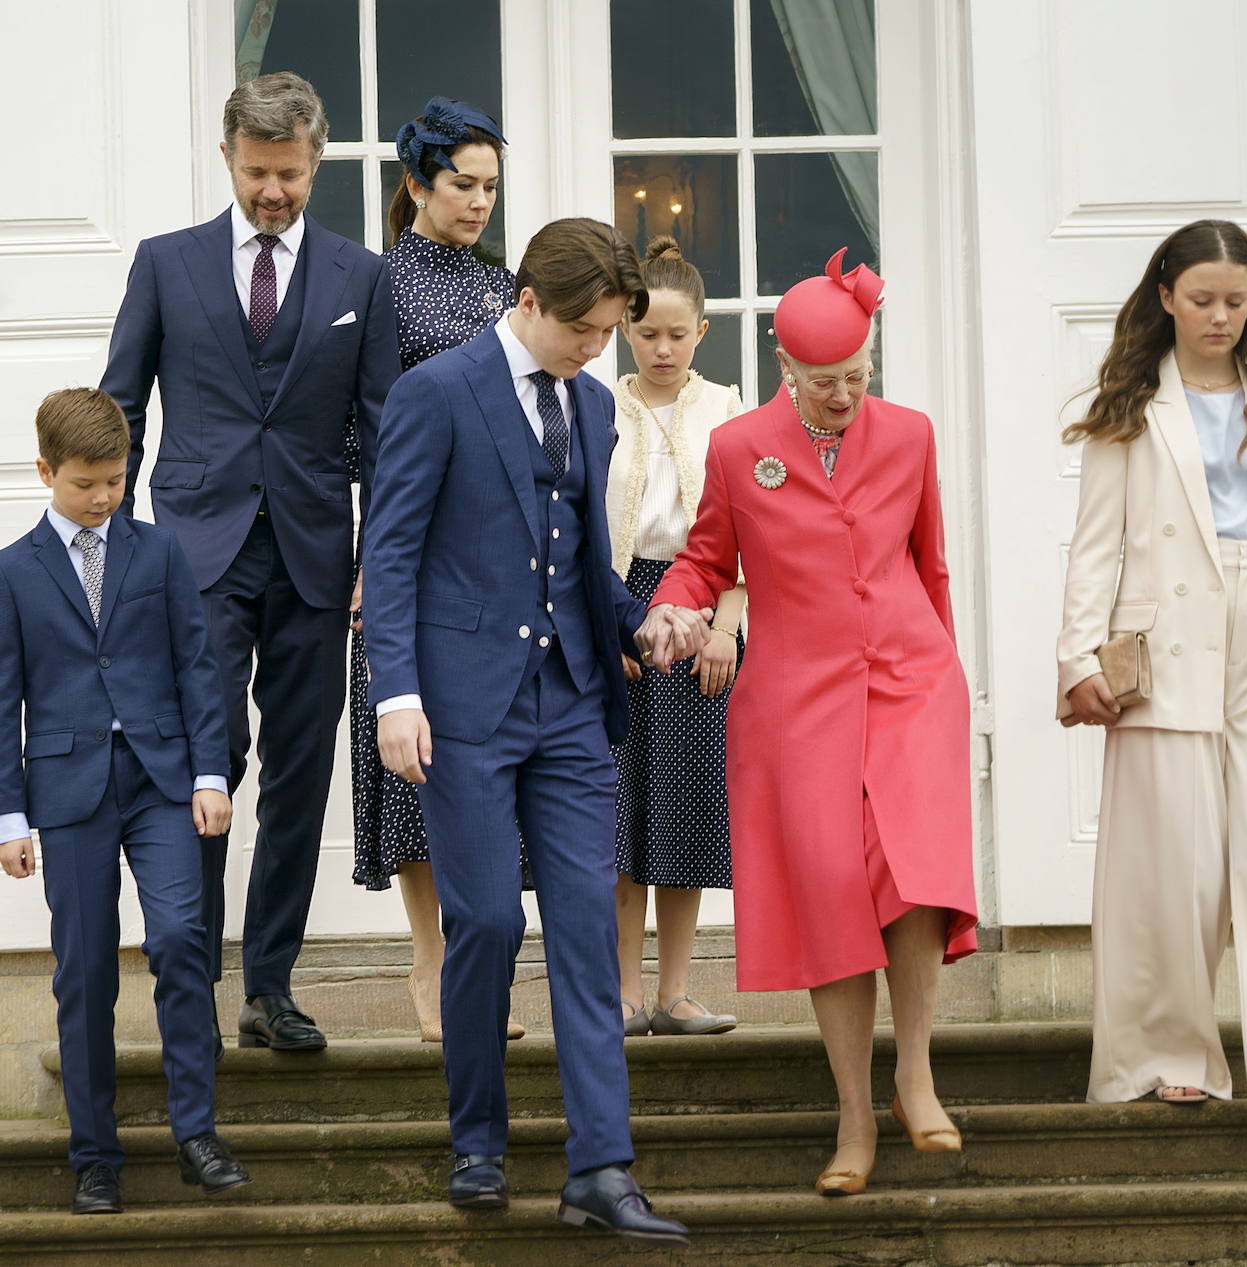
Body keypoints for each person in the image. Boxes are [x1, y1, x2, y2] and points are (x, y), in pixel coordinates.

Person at [363, 217, 695, 1242]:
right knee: (491, 924)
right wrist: (396, 696)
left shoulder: (593, 406)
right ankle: (479, 1142)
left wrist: (642, 618)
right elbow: (395, 551)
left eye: (611, 332)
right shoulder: (436, 392)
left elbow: (578, 558)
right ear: (530, 305)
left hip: (570, 704)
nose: (601, 350)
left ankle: (601, 1166)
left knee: (589, 929)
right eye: (588, 331)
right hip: (459, 709)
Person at [639, 249, 979, 1196]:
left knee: (913, 869)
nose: (843, 395)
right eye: (824, 381)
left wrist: (946, 681)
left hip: (911, 683)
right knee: (833, 883)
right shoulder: (741, 447)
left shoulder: (909, 435)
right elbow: (705, 559)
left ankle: (914, 1071)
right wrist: (676, 606)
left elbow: (932, 565)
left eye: (857, 376)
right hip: (798, 695)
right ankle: (854, 1112)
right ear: (787, 371)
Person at [100, 72, 401, 1054]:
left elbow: (387, 431)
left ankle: (270, 986)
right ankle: (186, 972)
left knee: (303, 771)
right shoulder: (165, 264)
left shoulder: (363, 277)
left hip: (317, 559)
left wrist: (383, 561)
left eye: (291, 172)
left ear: (317, 159)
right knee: (205, 754)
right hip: (195, 556)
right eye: (258, 171)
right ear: (227, 155)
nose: (274, 190)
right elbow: (121, 410)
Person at [1058, 219, 1247, 1152]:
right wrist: (1077, 659)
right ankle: (1170, 1054)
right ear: (1165, 296)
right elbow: (1095, 545)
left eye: (1236, 301)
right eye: (1202, 300)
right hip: (1166, 652)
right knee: (1174, 870)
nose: (1220, 317)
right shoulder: (1128, 407)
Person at [0, 389, 250, 1215]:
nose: (104, 497)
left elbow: (196, 668)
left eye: (115, 480)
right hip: (66, 790)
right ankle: (95, 1155)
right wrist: (8, 816)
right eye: (86, 484)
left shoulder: (160, 552)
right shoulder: (11, 569)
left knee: (182, 936)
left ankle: (197, 1134)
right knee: (83, 970)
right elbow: (4, 701)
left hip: (162, 781)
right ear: (45, 471)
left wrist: (209, 776)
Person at [348, 97, 525, 1043]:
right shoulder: (379, 287)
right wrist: (369, 556)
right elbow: (356, 428)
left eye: (492, 187)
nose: (481, 202)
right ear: (418, 182)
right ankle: (434, 961)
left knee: (483, 752)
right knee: (416, 759)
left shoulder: (506, 293)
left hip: (494, 552)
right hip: (405, 544)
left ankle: (478, 953)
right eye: (465, 184)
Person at [608, 235, 743, 1037]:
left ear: (701, 331)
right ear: (627, 326)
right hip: (621, 604)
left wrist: (726, 623)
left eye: (678, 333)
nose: (662, 348)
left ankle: (677, 989)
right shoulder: (597, 405)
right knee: (621, 805)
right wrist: (610, 626)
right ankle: (624, 989)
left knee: (683, 803)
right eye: (647, 331)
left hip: (701, 608)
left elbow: (749, 530)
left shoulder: (727, 408)